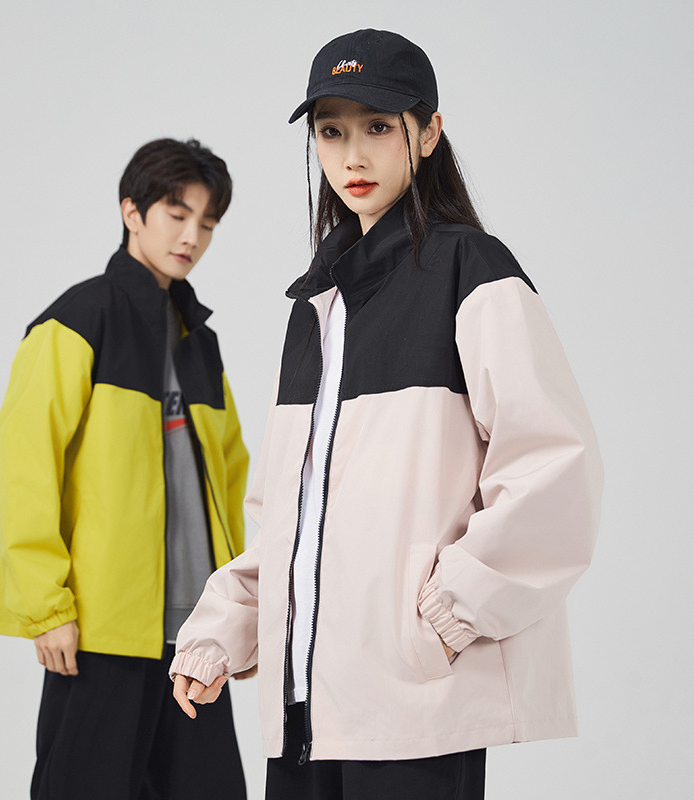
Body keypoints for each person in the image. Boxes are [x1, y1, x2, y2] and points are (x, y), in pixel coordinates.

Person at [170, 29, 604, 800]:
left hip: (415, 706)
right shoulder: (316, 308)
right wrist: (221, 630)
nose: (353, 156)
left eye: (377, 126)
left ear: (430, 131)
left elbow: (554, 468)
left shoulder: (472, 270)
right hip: (306, 711)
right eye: (331, 132)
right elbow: (291, 519)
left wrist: (446, 615)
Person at [0, 137, 251, 800]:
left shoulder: (199, 341)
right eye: (177, 215)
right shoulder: (78, 319)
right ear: (132, 212)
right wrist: (46, 607)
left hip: (194, 635)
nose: (192, 237)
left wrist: (238, 613)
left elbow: (230, 481)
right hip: (102, 627)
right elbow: (26, 467)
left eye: (207, 223)